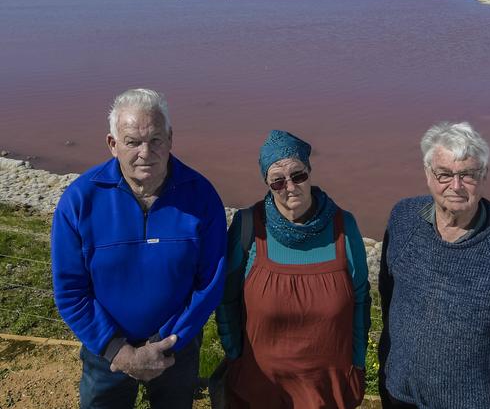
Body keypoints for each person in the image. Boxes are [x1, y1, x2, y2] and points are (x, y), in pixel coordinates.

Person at [51, 88, 228, 409]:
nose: (145, 152)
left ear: (171, 139)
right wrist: (118, 350)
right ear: (112, 144)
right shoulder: (78, 201)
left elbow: (211, 282)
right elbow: (70, 290)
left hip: (176, 349)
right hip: (105, 352)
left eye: (156, 140)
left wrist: (168, 342)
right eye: (132, 142)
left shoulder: (202, 196)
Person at [378, 122, 490, 409]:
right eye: (444, 174)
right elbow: (388, 297)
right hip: (400, 396)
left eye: (467, 175)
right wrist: (387, 370)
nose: (455, 186)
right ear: (428, 174)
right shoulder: (403, 219)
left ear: (483, 176)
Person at [215, 130, 370, 409]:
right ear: (267, 183)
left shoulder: (344, 226)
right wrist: (235, 356)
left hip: (328, 390)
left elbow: (360, 300)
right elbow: (226, 300)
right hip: (259, 389)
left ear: (309, 171)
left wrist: (357, 365)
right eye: (277, 181)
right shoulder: (248, 227)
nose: (290, 186)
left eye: (298, 175)